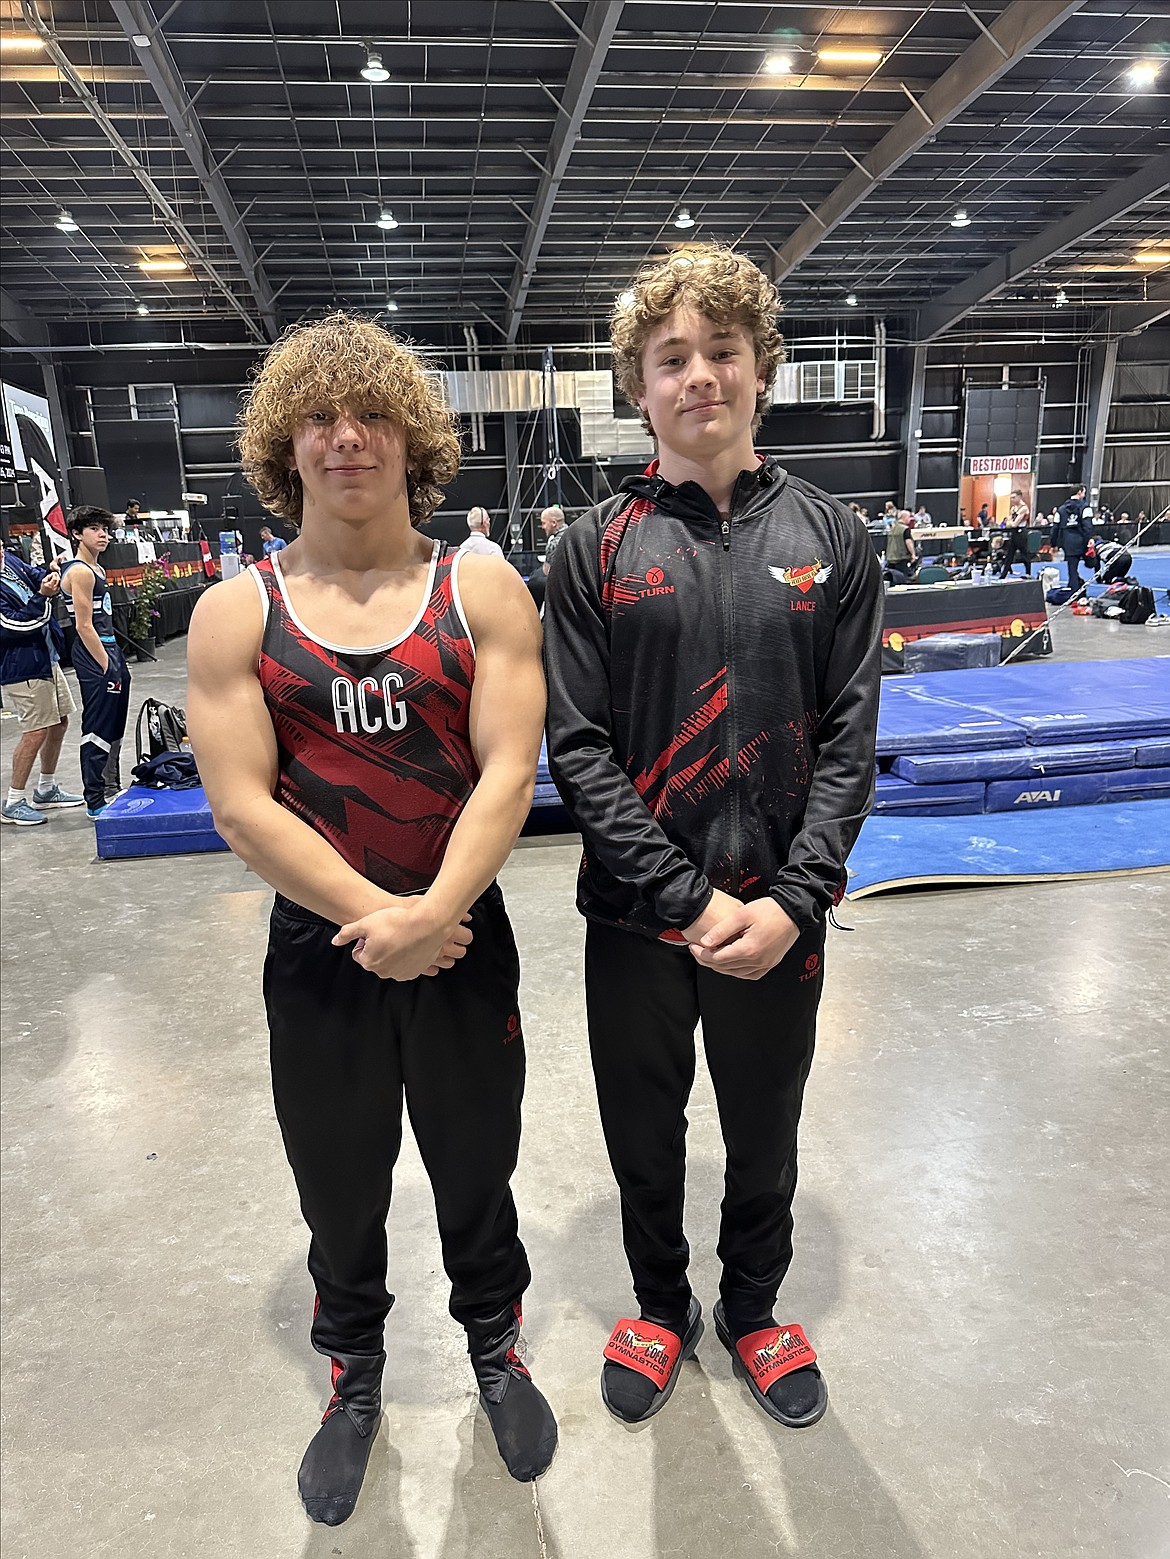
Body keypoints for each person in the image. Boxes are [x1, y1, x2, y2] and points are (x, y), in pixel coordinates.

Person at [186, 312, 556, 1526]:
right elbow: (242, 806)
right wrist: (379, 919)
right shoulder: (237, 613)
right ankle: (354, 1374)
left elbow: (510, 769)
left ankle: (495, 1341)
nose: (347, 437)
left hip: (461, 936)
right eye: (319, 417)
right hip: (324, 950)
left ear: (414, 438)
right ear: (283, 444)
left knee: (476, 1161)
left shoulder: (479, 582)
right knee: (337, 1179)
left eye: (372, 414)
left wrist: (437, 912)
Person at [544, 244, 882, 1432]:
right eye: (671, 357)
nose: (700, 375)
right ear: (637, 385)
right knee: (644, 1124)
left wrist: (796, 895)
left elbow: (849, 742)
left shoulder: (837, 538)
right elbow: (577, 747)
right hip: (641, 919)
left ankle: (752, 1307)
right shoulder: (590, 549)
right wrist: (684, 897)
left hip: (781, 910)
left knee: (765, 1123)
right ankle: (657, 1303)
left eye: (722, 352)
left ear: (761, 371)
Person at [0, 547, 84, 824]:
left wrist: (51, 570)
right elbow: (17, 626)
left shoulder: (9, 561)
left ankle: (46, 789)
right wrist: (43, 597)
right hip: (22, 667)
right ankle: (13, 801)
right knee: (35, 731)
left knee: (59, 723)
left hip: (46, 659)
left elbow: (33, 574)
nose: (1, 551)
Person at [58, 507, 131, 817]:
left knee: (115, 722)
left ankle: (110, 786)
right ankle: (95, 798)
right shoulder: (81, 572)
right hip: (95, 654)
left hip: (110, 650)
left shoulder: (95, 570)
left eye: (106, 529)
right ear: (77, 534)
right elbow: (84, 626)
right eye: (95, 529)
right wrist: (106, 665)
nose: (104, 534)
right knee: (98, 724)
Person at [1050, 485, 1095, 591]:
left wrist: (1053, 544)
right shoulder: (1085, 507)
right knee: (1091, 562)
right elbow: (1088, 526)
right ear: (1079, 492)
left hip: (1068, 542)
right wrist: (1090, 539)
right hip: (1082, 540)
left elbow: (1055, 528)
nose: (1084, 495)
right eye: (1084, 492)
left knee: (1072, 570)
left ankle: (1073, 592)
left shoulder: (1060, 510)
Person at [885, 508, 917, 582]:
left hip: (890, 558)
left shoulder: (892, 528)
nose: (910, 519)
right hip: (901, 558)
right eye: (909, 517)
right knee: (903, 580)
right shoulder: (905, 529)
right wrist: (913, 554)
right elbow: (908, 542)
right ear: (904, 517)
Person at [539, 505, 569, 575]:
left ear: (554, 523)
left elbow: (547, 571)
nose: (543, 527)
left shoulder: (554, 544)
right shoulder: (574, 535)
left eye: (544, 523)